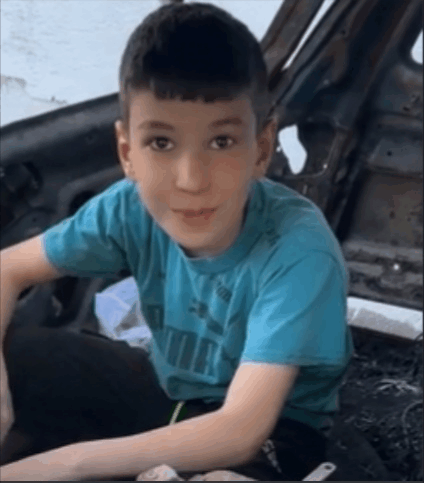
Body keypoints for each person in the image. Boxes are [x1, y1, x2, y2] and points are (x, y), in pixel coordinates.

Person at [0, 2, 354, 481]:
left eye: (222, 142)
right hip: (169, 395)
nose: (191, 180)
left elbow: (239, 428)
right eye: (162, 144)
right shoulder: (128, 207)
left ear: (262, 149)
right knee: (21, 355)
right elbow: (7, 268)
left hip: (272, 434)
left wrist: (64, 464)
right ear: (128, 152)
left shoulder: (298, 249)